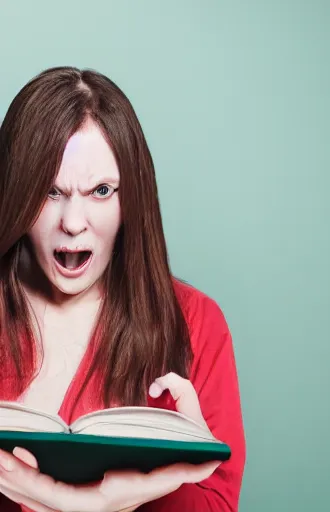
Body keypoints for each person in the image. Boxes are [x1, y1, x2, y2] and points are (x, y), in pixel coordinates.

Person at [0, 67, 246, 512]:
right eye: (49, 192)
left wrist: (181, 470)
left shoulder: (196, 323)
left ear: (131, 197)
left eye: (100, 190)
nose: (73, 223)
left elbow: (217, 506)